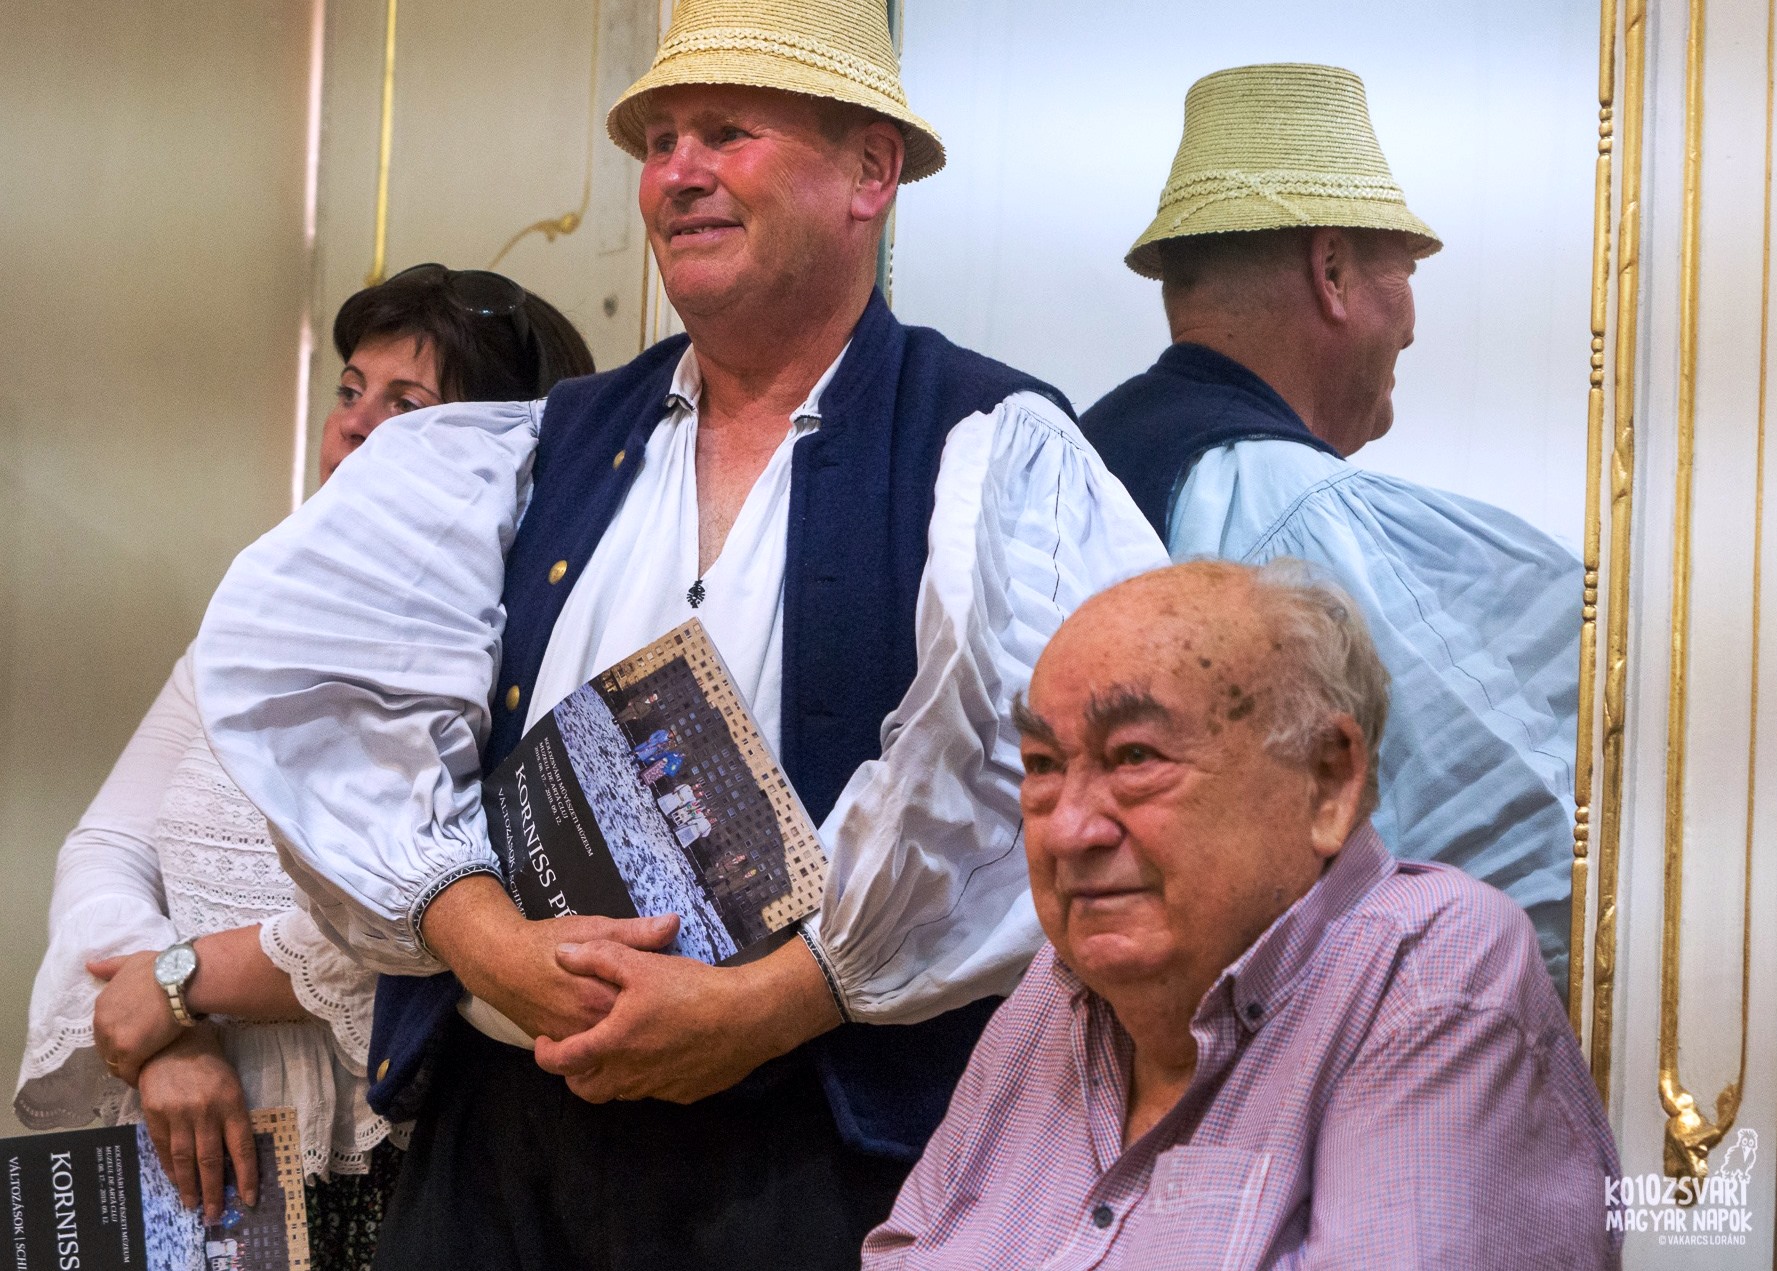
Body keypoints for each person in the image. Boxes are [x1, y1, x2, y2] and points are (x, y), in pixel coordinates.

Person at [190, 3, 1167, 1268]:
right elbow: (344, 722)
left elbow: (1042, 800)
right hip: (499, 1154)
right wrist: (488, 938)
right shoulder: (537, 447)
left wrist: (769, 1001)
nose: (678, 174)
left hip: (810, 1168)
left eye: (726, 132)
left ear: (869, 171)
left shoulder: (989, 446)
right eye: (659, 143)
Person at [13, 265, 595, 1269]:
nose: (354, 426)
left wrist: (184, 981)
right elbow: (106, 844)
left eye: (405, 404)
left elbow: (440, 919)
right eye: (349, 390)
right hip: (177, 1137)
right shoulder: (256, 628)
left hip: (396, 1159)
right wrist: (167, 1033)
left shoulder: (530, 652)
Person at [864, 560, 1620, 1269]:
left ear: (1327, 780)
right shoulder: (1056, 991)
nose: (1066, 830)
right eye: (1042, 765)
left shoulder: (1429, 974)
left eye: (1135, 757)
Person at [1079, 63, 1581, 989]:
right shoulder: (1288, 509)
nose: (1412, 324)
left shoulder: (1082, 458)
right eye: (1404, 272)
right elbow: (1534, 866)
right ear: (1334, 271)